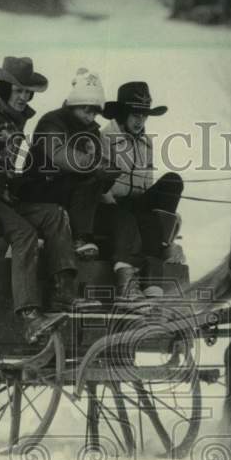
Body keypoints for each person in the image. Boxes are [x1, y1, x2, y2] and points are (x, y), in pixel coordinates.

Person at [0, 56, 98, 343]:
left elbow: (6, 170)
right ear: (4, 86)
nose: (24, 97)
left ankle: (64, 296)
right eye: (18, 90)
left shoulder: (11, 118)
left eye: (28, 92)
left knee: (54, 214)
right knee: (23, 234)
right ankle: (30, 317)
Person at [98, 81, 184, 299]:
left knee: (173, 181)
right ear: (123, 113)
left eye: (145, 116)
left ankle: (164, 244)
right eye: (136, 115)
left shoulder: (146, 143)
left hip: (139, 203)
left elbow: (148, 183)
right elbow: (98, 181)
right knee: (132, 219)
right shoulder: (104, 138)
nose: (141, 121)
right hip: (112, 203)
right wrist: (113, 208)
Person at [21, 68, 117, 259]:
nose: (90, 116)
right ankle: (76, 238)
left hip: (70, 190)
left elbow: (97, 169)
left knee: (95, 184)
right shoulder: (52, 121)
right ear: (73, 105)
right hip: (40, 186)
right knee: (86, 181)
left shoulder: (92, 132)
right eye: (86, 110)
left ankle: (82, 238)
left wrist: (108, 172)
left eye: (94, 112)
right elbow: (57, 153)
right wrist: (93, 164)